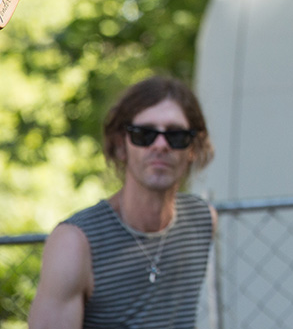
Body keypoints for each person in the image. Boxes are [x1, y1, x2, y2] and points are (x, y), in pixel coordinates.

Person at [28, 76, 217, 329]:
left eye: (176, 135)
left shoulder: (202, 220)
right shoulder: (75, 243)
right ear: (121, 146)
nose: (161, 145)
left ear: (193, 148)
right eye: (145, 134)